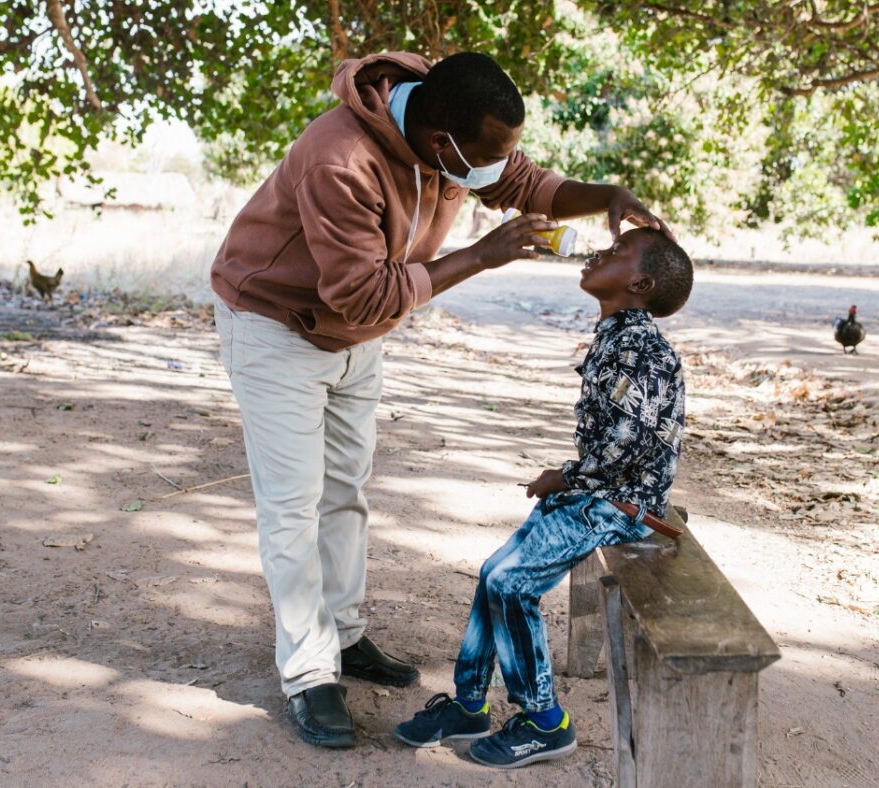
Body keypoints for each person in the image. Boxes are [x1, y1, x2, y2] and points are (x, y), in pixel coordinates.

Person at [209, 50, 670, 750]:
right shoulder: (341, 161)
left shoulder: (450, 123)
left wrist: (604, 195)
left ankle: (344, 632)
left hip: (357, 336)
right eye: (483, 157)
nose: (496, 170)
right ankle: (308, 672)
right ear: (438, 144)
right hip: (278, 325)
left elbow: (520, 180)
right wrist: (482, 256)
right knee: (293, 505)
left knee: (345, 491)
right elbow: (363, 295)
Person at [393, 227, 693, 769]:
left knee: (513, 583)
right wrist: (572, 479)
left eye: (618, 252)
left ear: (641, 282)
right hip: (598, 495)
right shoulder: (617, 333)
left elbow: (634, 442)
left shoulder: (641, 347)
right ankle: (467, 706)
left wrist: (567, 476)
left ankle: (544, 721)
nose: (600, 252)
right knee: (493, 573)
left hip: (622, 508)